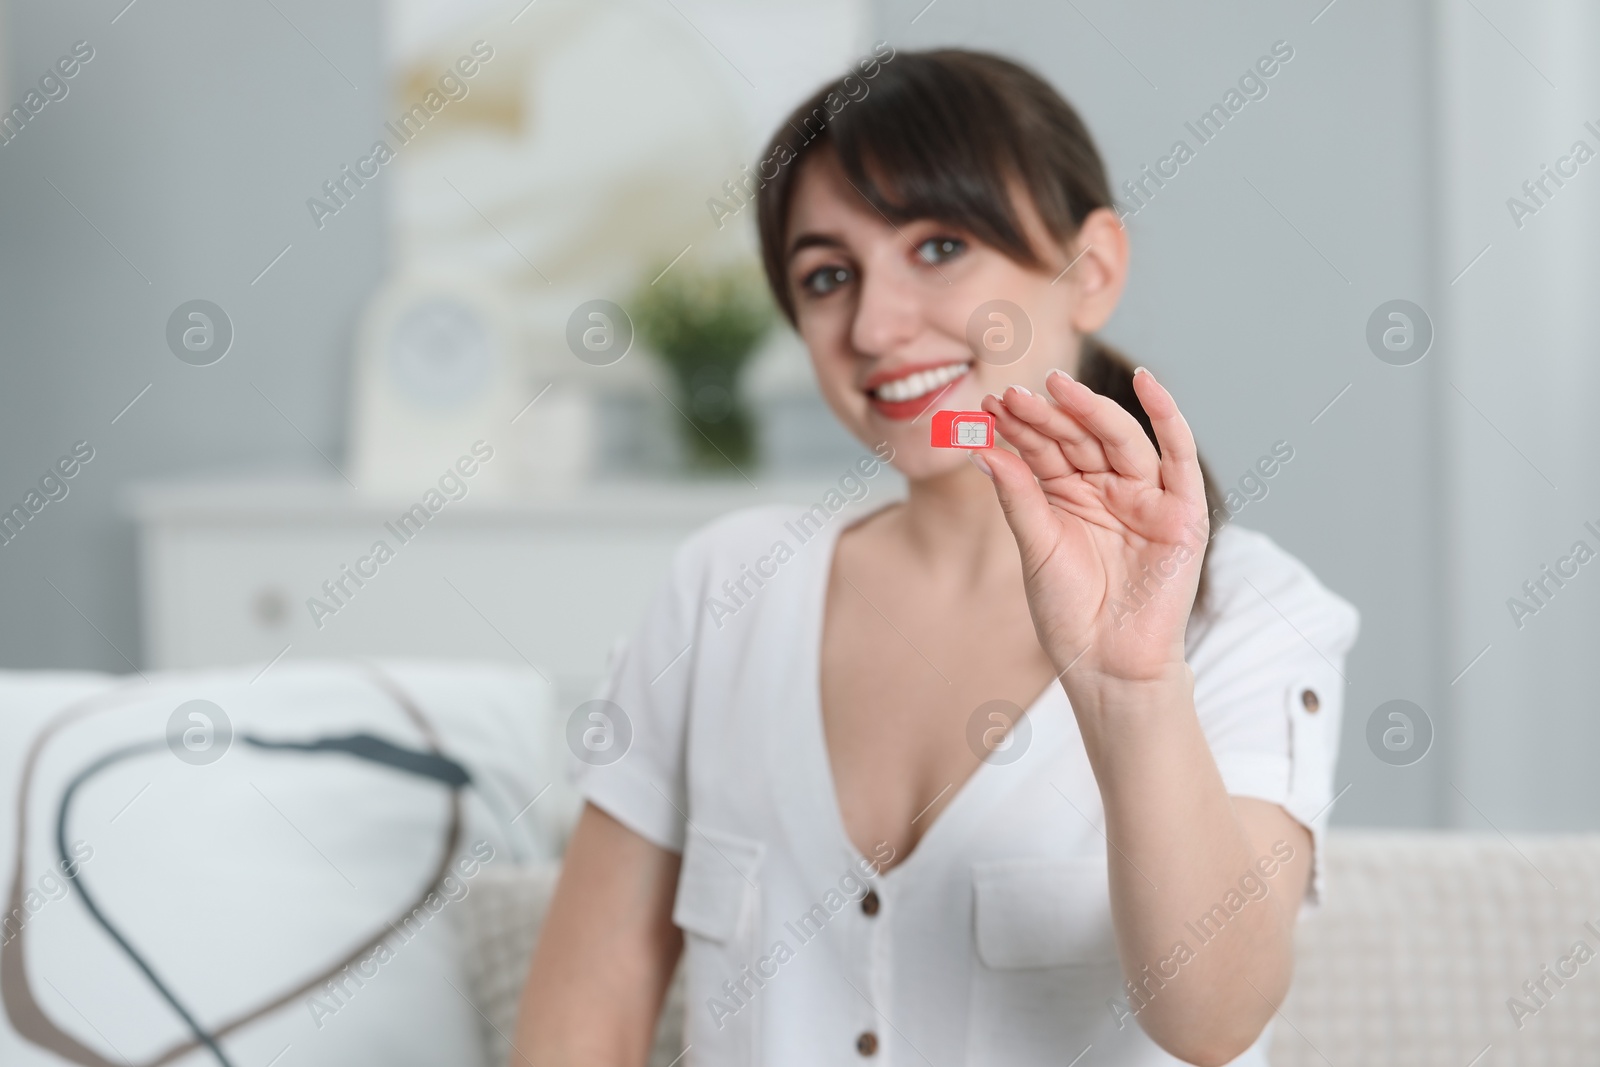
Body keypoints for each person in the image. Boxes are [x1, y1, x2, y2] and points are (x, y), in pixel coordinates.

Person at [515, 48, 1358, 1067]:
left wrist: (1131, 689)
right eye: (827, 276)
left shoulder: (1251, 609)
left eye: (940, 246)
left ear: (1089, 270)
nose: (874, 326)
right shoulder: (722, 587)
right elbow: (584, 1011)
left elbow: (1214, 1018)